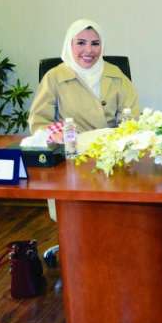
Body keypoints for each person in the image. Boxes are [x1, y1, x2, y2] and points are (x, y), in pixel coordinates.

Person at [28, 18, 139, 266]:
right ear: (70, 44)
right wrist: (55, 134)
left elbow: (133, 118)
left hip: (111, 157)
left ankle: (111, 253)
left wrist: (121, 139)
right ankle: (82, 258)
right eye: (81, 43)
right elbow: (39, 122)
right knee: (81, 218)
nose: (89, 50)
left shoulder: (115, 74)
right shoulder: (55, 77)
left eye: (95, 44)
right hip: (71, 159)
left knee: (114, 216)